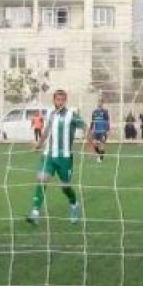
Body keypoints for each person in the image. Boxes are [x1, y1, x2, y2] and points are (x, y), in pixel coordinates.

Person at [26, 89, 84, 225]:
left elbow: (86, 127)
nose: (60, 102)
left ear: (66, 101)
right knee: (42, 178)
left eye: (62, 100)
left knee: (65, 187)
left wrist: (93, 145)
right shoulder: (51, 114)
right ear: (54, 100)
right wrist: (38, 145)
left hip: (65, 158)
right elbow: (46, 132)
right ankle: (35, 212)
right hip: (49, 154)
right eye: (58, 99)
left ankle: (74, 204)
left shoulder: (72, 115)